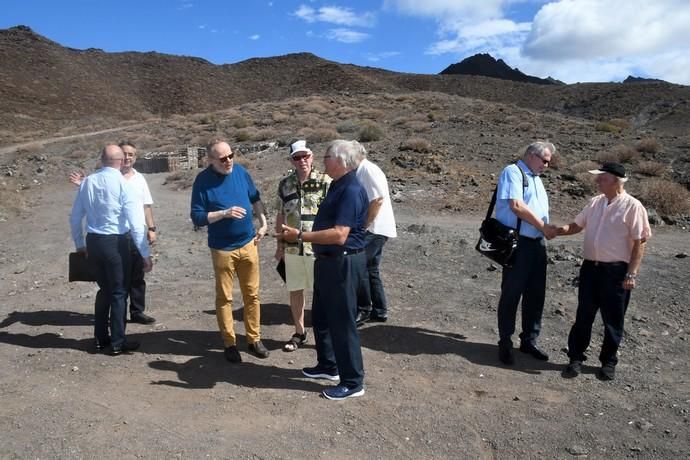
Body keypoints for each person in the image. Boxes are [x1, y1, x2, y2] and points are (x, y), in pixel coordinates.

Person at [279, 139, 368, 400]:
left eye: (328, 156)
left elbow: (340, 234)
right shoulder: (339, 185)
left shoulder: (350, 189)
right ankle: (328, 365)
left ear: (340, 161)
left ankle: (352, 381)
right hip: (328, 262)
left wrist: (300, 236)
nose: (324, 160)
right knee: (322, 316)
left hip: (342, 261)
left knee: (342, 323)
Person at [555, 162, 651, 380]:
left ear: (617, 181)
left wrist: (631, 273)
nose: (597, 181)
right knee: (583, 315)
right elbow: (577, 226)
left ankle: (608, 362)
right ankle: (576, 358)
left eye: (603, 178)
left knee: (613, 319)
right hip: (591, 269)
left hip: (616, 272)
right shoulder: (595, 203)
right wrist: (555, 231)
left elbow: (640, 243)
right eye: (598, 177)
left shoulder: (633, 206)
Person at [69, 144, 153, 355]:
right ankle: (117, 341)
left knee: (104, 290)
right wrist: (144, 254)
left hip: (94, 242)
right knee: (118, 292)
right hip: (116, 242)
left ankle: (100, 339)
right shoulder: (125, 185)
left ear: (102, 159)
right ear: (119, 161)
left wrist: (80, 244)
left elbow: (75, 217)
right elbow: (135, 223)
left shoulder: (88, 182)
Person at [190, 139, 269, 363]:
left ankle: (254, 339)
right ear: (211, 160)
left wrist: (263, 223)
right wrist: (223, 213)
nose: (229, 161)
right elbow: (197, 217)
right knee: (225, 297)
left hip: (248, 243)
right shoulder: (202, 181)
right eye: (223, 158)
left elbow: (255, 198)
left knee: (252, 294)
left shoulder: (241, 172)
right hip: (222, 249)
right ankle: (229, 343)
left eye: (231, 155)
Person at [495, 141, 557, 365]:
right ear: (531, 155)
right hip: (519, 243)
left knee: (535, 294)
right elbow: (516, 206)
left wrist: (544, 231)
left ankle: (529, 340)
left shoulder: (536, 179)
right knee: (511, 293)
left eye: (548, 162)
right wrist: (543, 227)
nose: (547, 165)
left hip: (536, 244)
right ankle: (505, 341)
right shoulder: (514, 172)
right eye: (545, 160)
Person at [274, 140, 331, 352]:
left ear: (312, 156)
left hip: (318, 248)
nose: (302, 161)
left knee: (322, 293)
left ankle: (324, 336)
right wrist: (279, 245)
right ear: (292, 160)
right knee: (296, 291)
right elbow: (280, 215)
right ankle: (300, 332)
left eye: (305, 156)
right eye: (297, 157)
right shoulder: (285, 184)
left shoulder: (326, 181)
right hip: (292, 248)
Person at [353, 141, 397, 326]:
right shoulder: (365, 169)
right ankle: (379, 310)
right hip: (378, 228)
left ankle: (364, 309)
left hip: (374, 229)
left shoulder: (367, 170)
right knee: (371, 269)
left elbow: (377, 199)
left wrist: (365, 224)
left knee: (359, 266)